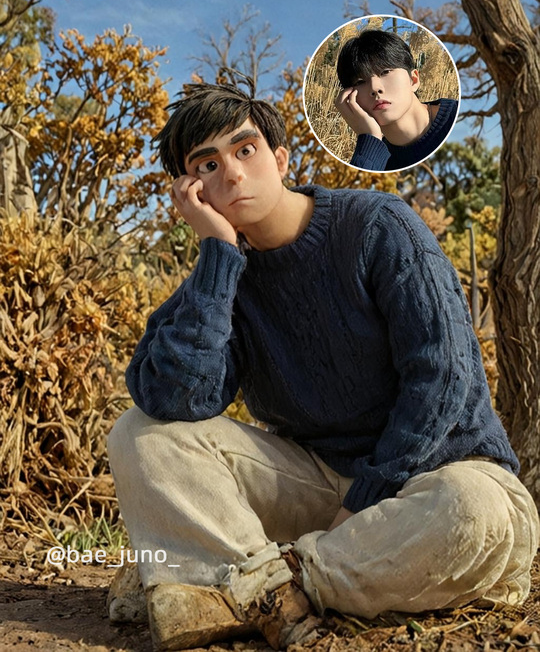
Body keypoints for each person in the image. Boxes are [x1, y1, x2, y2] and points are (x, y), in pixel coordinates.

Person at [107, 81, 539, 651]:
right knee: (140, 433)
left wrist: (361, 503)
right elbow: (175, 402)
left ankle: (238, 583)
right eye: (207, 164)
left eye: (245, 150)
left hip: (441, 475)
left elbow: (442, 379)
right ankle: (281, 584)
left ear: (280, 158)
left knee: (473, 514)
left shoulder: (376, 226)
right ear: (192, 192)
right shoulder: (223, 278)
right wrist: (217, 257)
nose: (232, 174)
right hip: (318, 487)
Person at [334, 29, 458, 171]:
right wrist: (370, 137)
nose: (375, 88)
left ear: (414, 80)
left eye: (385, 72)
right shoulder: (375, 161)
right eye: (360, 81)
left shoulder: (456, 117)